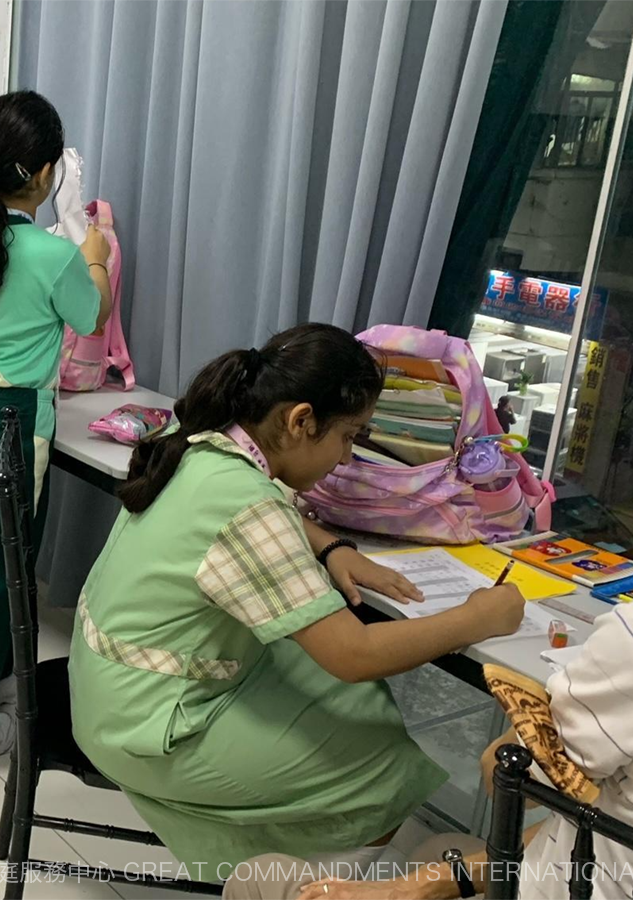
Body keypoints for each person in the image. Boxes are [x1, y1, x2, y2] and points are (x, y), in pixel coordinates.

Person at [233, 378, 633, 900]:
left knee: (262, 877)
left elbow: (505, 778)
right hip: (596, 867)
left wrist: (486, 638)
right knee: (439, 847)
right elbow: (611, 830)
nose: (348, 457)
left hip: (562, 880)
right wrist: (418, 887)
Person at [68, 323, 529, 871]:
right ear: (300, 421)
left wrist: (330, 546)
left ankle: (307, 856)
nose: (345, 457)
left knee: (355, 702)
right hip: (147, 727)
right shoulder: (246, 503)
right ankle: (317, 882)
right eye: (348, 436)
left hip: (108, 687)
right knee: (380, 766)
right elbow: (354, 655)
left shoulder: (197, 437)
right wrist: (476, 618)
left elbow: (250, 516)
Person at [0, 90, 114, 776]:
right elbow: (92, 316)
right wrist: (93, 252)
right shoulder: (51, 254)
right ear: (42, 174)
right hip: (9, 424)